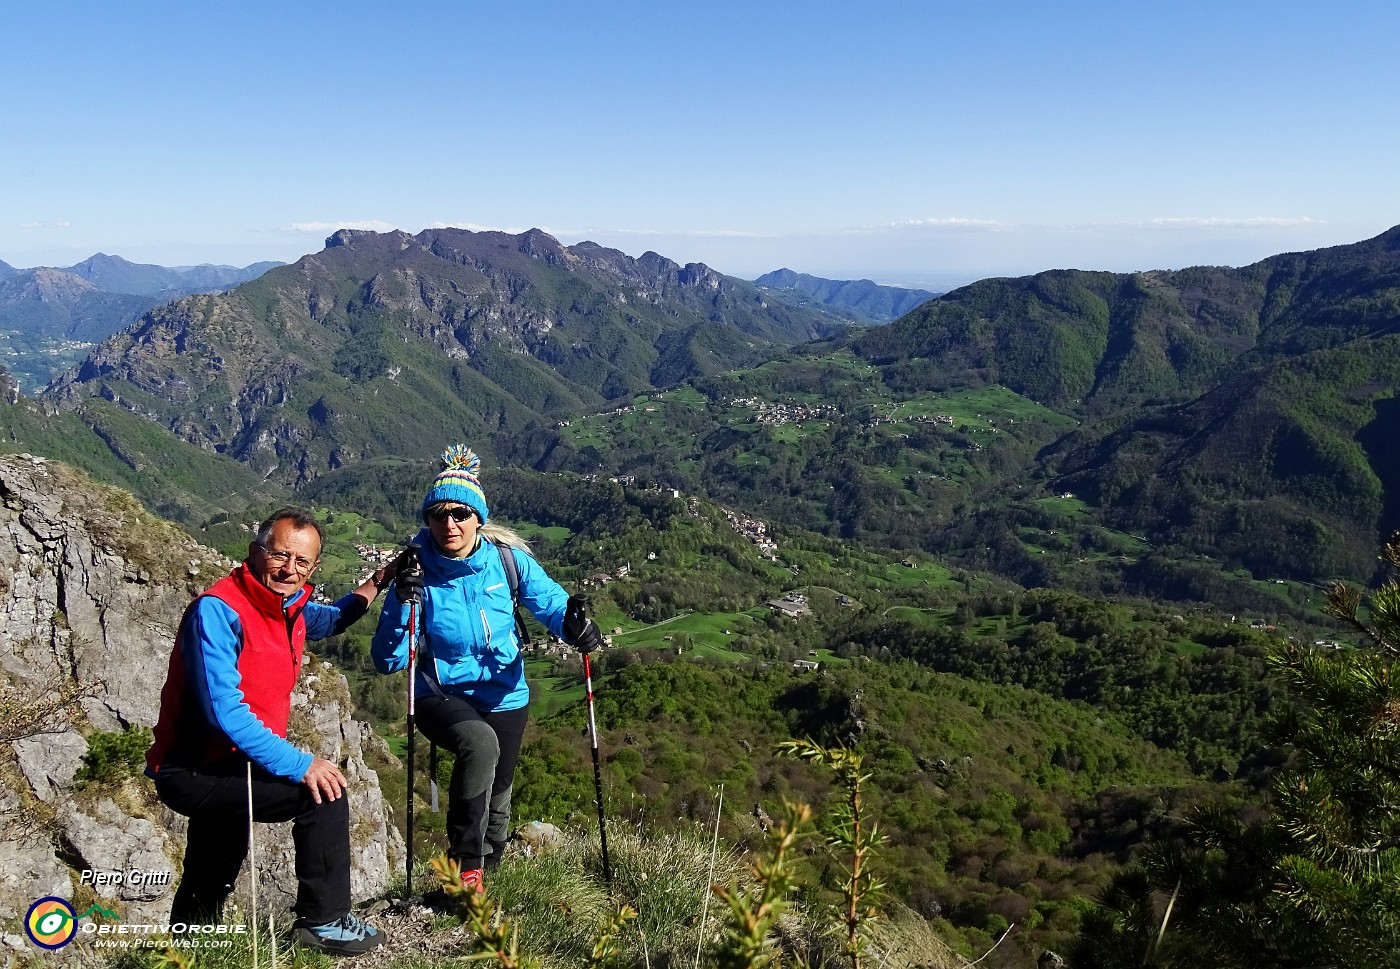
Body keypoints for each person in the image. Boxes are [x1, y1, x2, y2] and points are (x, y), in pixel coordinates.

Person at [146, 508, 404, 957]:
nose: (290, 569)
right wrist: (301, 764)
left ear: (313, 568)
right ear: (255, 553)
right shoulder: (218, 611)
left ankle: (189, 953)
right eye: (280, 555)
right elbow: (224, 713)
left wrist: (380, 580)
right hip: (192, 769)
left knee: (213, 864)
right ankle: (323, 921)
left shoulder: (290, 608)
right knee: (322, 795)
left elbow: (336, 617)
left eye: (302, 562)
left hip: (228, 765)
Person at [372, 445, 602, 893]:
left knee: (499, 791)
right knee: (479, 746)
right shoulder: (414, 571)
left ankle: (489, 870)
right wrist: (401, 600)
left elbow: (549, 601)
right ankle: (465, 864)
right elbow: (388, 659)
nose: (449, 523)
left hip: (504, 690)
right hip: (441, 691)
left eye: (460, 512)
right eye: (438, 515)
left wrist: (574, 627)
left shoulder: (507, 560)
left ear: (478, 517)